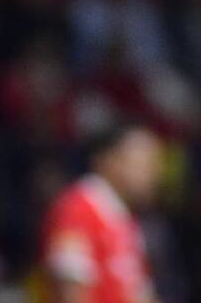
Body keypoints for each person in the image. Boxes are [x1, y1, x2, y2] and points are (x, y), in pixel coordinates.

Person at [41, 122, 162, 303]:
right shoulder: (77, 210)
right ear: (107, 161)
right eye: (142, 163)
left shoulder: (124, 219)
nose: (152, 173)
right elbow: (71, 292)